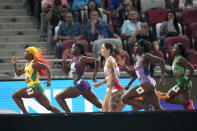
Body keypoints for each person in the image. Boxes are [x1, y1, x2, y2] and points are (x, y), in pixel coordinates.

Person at [117, 39, 165, 110]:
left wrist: (162, 76)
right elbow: (133, 74)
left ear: (142, 47)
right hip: (149, 86)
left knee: (124, 98)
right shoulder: (138, 59)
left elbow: (161, 61)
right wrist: (124, 66)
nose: (135, 47)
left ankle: (146, 107)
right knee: (157, 108)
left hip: (146, 85)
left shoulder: (146, 56)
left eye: (137, 46)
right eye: (135, 46)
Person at [55, 42, 102, 113]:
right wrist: (64, 61)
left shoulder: (82, 58)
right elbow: (67, 70)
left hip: (80, 83)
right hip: (83, 84)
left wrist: (94, 76)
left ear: (78, 49)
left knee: (58, 97)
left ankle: (70, 116)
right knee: (100, 105)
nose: (71, 49)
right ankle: (113, 112)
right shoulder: (74, 58)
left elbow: (97, 61)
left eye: (73, 47)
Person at [12, 46, 61, 114]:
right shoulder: (26, 65)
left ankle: (25, 114)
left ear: (31, 54)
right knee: (49, 107)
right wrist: (14, 64)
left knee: (15, 95)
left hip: (34, 88)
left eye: (26, 52)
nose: (24, 53)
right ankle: (62, 116)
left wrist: (49, 80)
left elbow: (47, 68)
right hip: (37, 90)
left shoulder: (34, 64)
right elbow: (18, 73)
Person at [93, 43, 125, 112]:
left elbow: (113, 77)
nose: (101, 50)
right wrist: (100, 83)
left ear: (108, 50)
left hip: (115, 89)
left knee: (108, 113)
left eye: (103, 48)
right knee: (105, 111)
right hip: (114, 88)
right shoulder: (109, 60)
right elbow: (111, 77)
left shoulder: (110, 61)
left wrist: (110, 90)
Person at [165, 43, 195, 110]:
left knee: (167, 98)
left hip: (183, 82)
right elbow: (172, 73)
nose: (173, 50)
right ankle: (188, 107)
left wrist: (187, 83)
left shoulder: (180, 59)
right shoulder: (175, 59)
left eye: (175, 48)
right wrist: (163, 68)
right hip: (182, 82)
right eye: (173, 48)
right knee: (186, 107)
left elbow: (192, 69)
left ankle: (186, 103)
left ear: (180, 51)